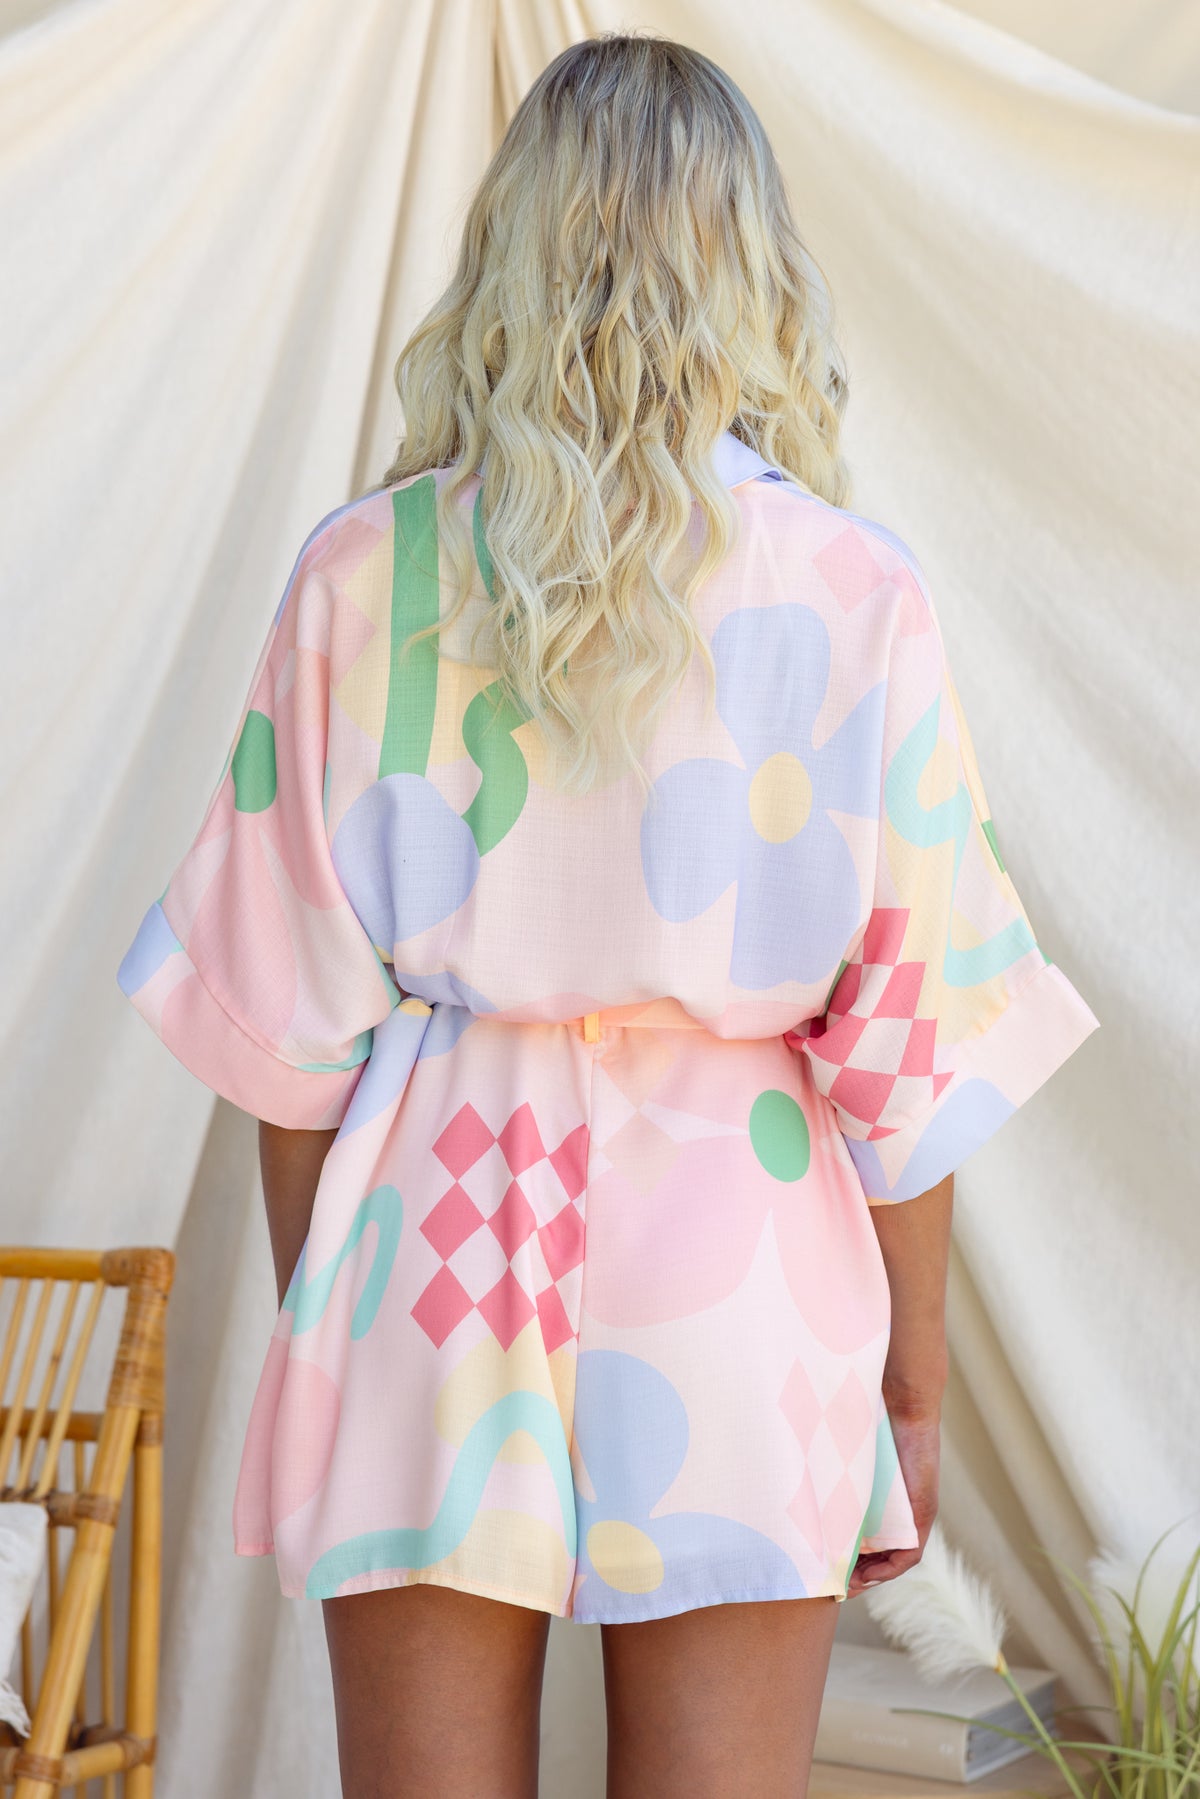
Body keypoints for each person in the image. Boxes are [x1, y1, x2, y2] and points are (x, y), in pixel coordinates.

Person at [116, 30, 1101, 1799]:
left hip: (433, 1244)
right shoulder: (854, 595)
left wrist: (336, 1311)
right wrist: (916, 1385)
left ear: (506, 251)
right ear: (753, 270)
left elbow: (284, 1037)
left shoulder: (366, 575)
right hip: (748, 1262)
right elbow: (908, 1053)